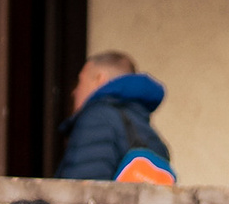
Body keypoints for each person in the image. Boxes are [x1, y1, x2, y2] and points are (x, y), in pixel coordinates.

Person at [54, 51, 173, 186]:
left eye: (80, 81)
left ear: (99, 79)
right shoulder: (146, 130)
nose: (74, 92)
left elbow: (80, 190)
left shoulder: (97, 118)